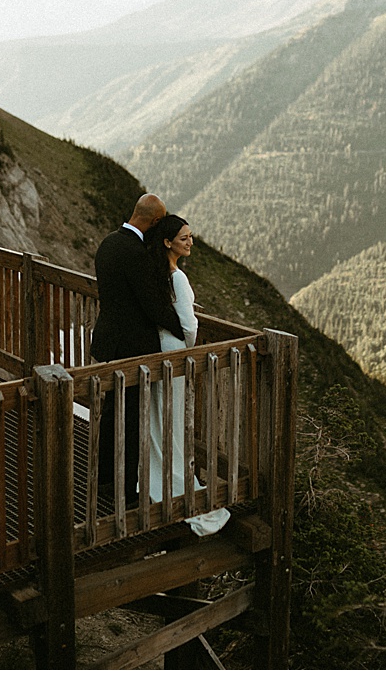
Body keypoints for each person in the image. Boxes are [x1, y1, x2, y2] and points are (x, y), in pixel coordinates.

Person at [88, 193, 185, 508]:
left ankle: (104, 478)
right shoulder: (136, 254)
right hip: (133, 347)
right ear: (156, 222)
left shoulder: (108, 244)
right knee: (131, 418)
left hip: (109, 340)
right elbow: (153, 305)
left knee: (112, 410)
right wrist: (182, 327)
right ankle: (126, 489)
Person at [143, 214, 229, 537]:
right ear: (167, 243)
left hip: (156, 348)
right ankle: (176, 480)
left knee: (157, 418)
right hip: (175, 352)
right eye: (183, 238)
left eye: (190, 236)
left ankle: (154, 477)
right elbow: (190, 326)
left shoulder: (155, 272)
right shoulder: (178, 278)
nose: (190, 242)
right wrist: (188, 345)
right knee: (174, 420)